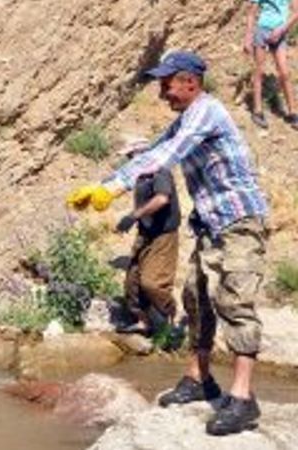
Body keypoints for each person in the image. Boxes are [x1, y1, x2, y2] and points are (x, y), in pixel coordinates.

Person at [66, 51, 268, 436]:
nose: (162, 94)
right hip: (210, 225)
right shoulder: (185, 119)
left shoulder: (206, 113)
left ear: (190, 82)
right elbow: (152, 151)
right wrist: (103, 185)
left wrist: (112, 188)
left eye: (167, 84)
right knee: (196, 298)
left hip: (241, 222)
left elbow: (164, 157)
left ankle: (243, 398)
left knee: (235, 302)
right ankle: (198, 379)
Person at [114, 140, 181, 337]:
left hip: (163, 236)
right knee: (132, 284)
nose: (128, 160)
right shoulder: (141, 176)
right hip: (145, 234)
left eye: (130, 156)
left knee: (152, 283)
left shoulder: (160, 171)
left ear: (140, 153)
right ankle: (143, 323)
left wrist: (134, 215)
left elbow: (162, 198)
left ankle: (171, 317)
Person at [244, 0, 298, 129]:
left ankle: (292, 112)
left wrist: (282, 29)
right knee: (259, 71)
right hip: (262, 30)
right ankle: (258, 111)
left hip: (280, 33)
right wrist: (248, 37)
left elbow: (296, 13)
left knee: (285, 73)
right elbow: (251, 13)